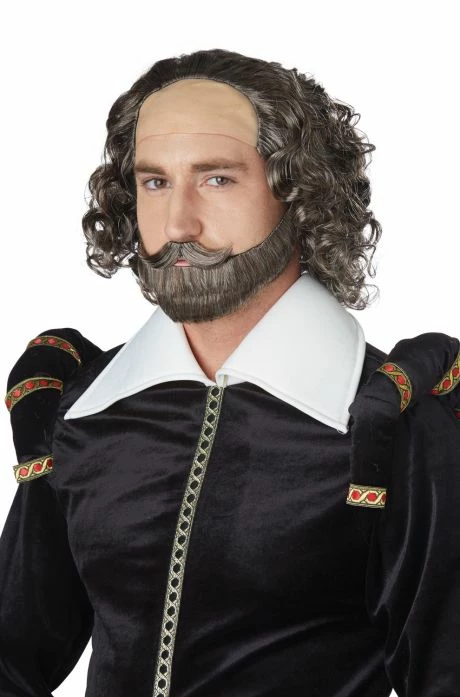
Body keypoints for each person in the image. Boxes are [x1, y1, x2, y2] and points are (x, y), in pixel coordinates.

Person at [1, 48, 459, 697]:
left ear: (299, 191)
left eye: (216, 179)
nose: (178, 223)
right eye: (155, 182)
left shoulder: (390, 427)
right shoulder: (82, 411)